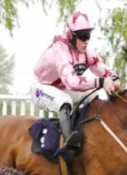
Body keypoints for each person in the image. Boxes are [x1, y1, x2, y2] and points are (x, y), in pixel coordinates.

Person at [31, 11, 121, 161]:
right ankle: (69, 147)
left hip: (61, 88)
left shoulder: (81, 50)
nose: (86, 40)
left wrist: (114, 78)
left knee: (93, 94)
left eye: (88, 35)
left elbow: (98, 65)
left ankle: (94, 132)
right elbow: (72, 82)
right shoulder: (60, 51)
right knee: (64, 101)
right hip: (41, 89)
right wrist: (101, 82)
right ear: (71, 35)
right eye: (82, 36)